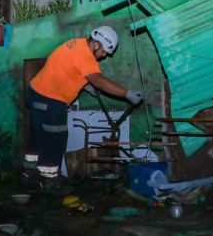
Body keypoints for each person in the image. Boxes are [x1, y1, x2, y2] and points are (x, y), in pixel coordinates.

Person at [21, 25, 142, 192]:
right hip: (51, 100)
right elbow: (99, 80)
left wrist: (85, 86)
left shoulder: (75, 43)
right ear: (97, 44)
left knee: (38, 135)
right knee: (55, 139)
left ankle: (28, 173)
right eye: (104, 51)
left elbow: (67, 68)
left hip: (35, 93)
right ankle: (48, 180)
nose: (104, 56)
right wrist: (126, 93)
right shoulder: (86, 56)